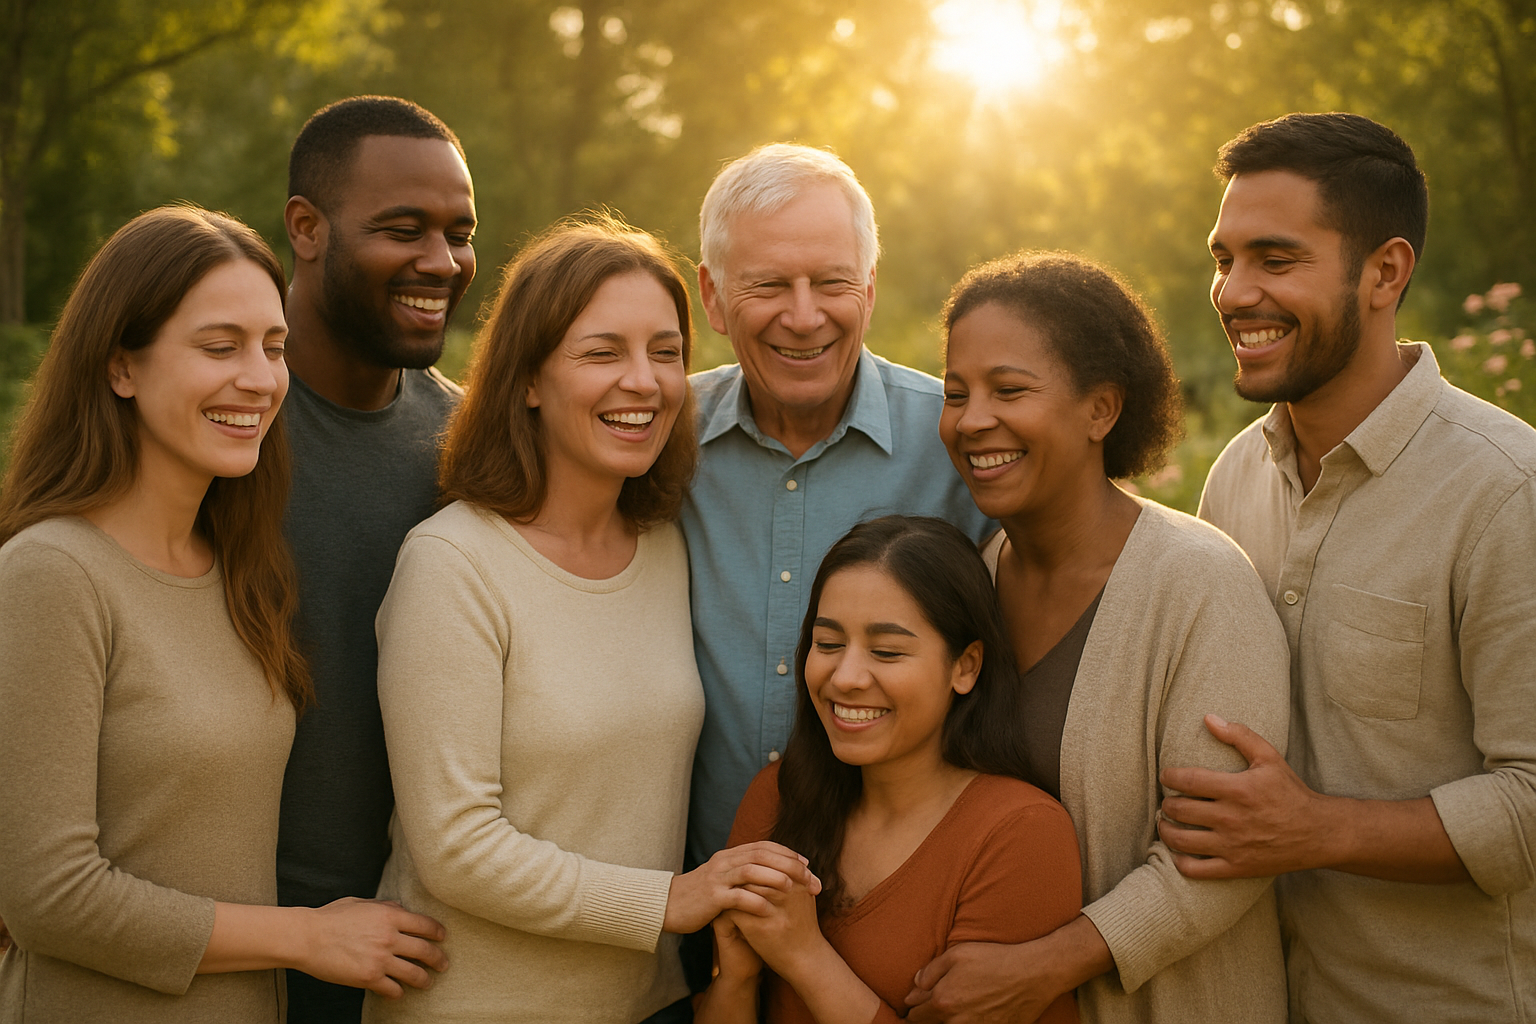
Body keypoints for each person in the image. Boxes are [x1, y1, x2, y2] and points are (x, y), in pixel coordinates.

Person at [364, 216, 820, 1024]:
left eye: (666, 352)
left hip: (648, 1004)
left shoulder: (665, 547)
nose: (642, 382)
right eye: (602, 353)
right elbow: (456, 847)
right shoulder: (454, 563)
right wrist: (670, 901)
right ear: (529, 380)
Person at [0, 205, 446, 1022]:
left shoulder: (238, 567)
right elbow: (48, 896)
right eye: (219, 347)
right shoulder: (52, 572)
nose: (260, 377)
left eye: (274, 347)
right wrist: (307, 939)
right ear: (119, 367)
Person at [1165, 112, 1536, 1021]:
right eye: (1224, 259)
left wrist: (1318, 831)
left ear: (1385, 272)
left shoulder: (1506, 493)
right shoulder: (1235, 477)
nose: (1234, 291)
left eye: (1275, 259)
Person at [908, 251, 1291, 1023]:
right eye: (956, 393)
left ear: (1101, 410)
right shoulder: (973, 583)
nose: (973, 418)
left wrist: (1045, 967)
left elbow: (1225, 856)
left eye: (1009, 390)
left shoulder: (1199, 584)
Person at [683, 143, 992, 901]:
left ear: (871, 289)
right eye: (767, 285)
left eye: (831, 282)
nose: (803, 314)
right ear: (713, 297)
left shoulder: (960, 444)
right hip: (686, 899)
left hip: (897, 907)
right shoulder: (658, 438)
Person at [696, 516, 1083, 1024]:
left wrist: (805, 956)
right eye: (828, 644)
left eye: (886, 652)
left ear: (965, 667)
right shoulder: (776, 796)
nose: (847, 677)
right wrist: (739, 973)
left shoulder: (1021, 834)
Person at [275, 95, 475, 1023]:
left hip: (412, 949)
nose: (441, 262)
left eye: (459, 232)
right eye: (404, 230)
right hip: (216, 937)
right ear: (306, 230)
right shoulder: (213, 427)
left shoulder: (469, 444)